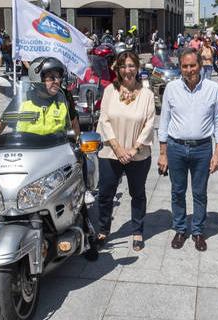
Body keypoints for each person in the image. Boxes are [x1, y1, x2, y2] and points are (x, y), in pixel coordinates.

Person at [158, 48, 218, 252]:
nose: (189, 70)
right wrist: (162, 153)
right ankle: (180, 229)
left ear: (200, 65)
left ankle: (197, 231)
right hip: (176, 148)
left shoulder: (213, 89)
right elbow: (164, 121)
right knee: (177, 192)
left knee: (199, 193)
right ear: (180, 67)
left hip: (202, 149)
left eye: (192, 65)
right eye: (185, 66)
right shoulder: (171, 88)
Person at [94, 51, 155, 251]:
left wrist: (133, 148)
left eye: (131, 65)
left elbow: (149, 124)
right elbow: (104, 120)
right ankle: (103, 230)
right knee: (105, 193)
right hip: (111, 152)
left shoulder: (146, 94)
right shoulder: (109, 91)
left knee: (137, 193)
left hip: (137, 154)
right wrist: (119, 149)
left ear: (137, 67)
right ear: (117, 69)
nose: (127, 70)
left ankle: (137, 230)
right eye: (122, 66)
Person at [0, 57, 80, 140]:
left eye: (58, 77)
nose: (57, 81)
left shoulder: (63, 97)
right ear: (37, 79)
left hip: (56, 151)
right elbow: (1, 122)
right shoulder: (23, 99)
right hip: (27, 151)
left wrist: (78, 145)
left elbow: (74, 125)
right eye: (51, 78)